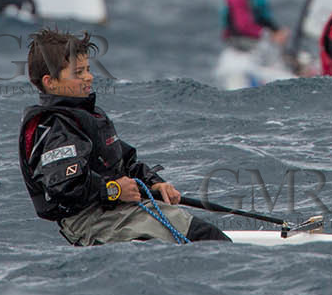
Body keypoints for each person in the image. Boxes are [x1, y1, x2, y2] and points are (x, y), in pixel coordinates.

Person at [19, 28, 231, 244]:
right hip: (93, 222)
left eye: (88, 70)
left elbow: (122, 162)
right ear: (50, 82)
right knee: (205, 237)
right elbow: (64, 188)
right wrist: (115, 190)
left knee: (203, 232)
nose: (89, 77)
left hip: (117, 212)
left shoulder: (87, 116)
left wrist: (155, 184)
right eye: (78, 73)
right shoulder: (56, 127)